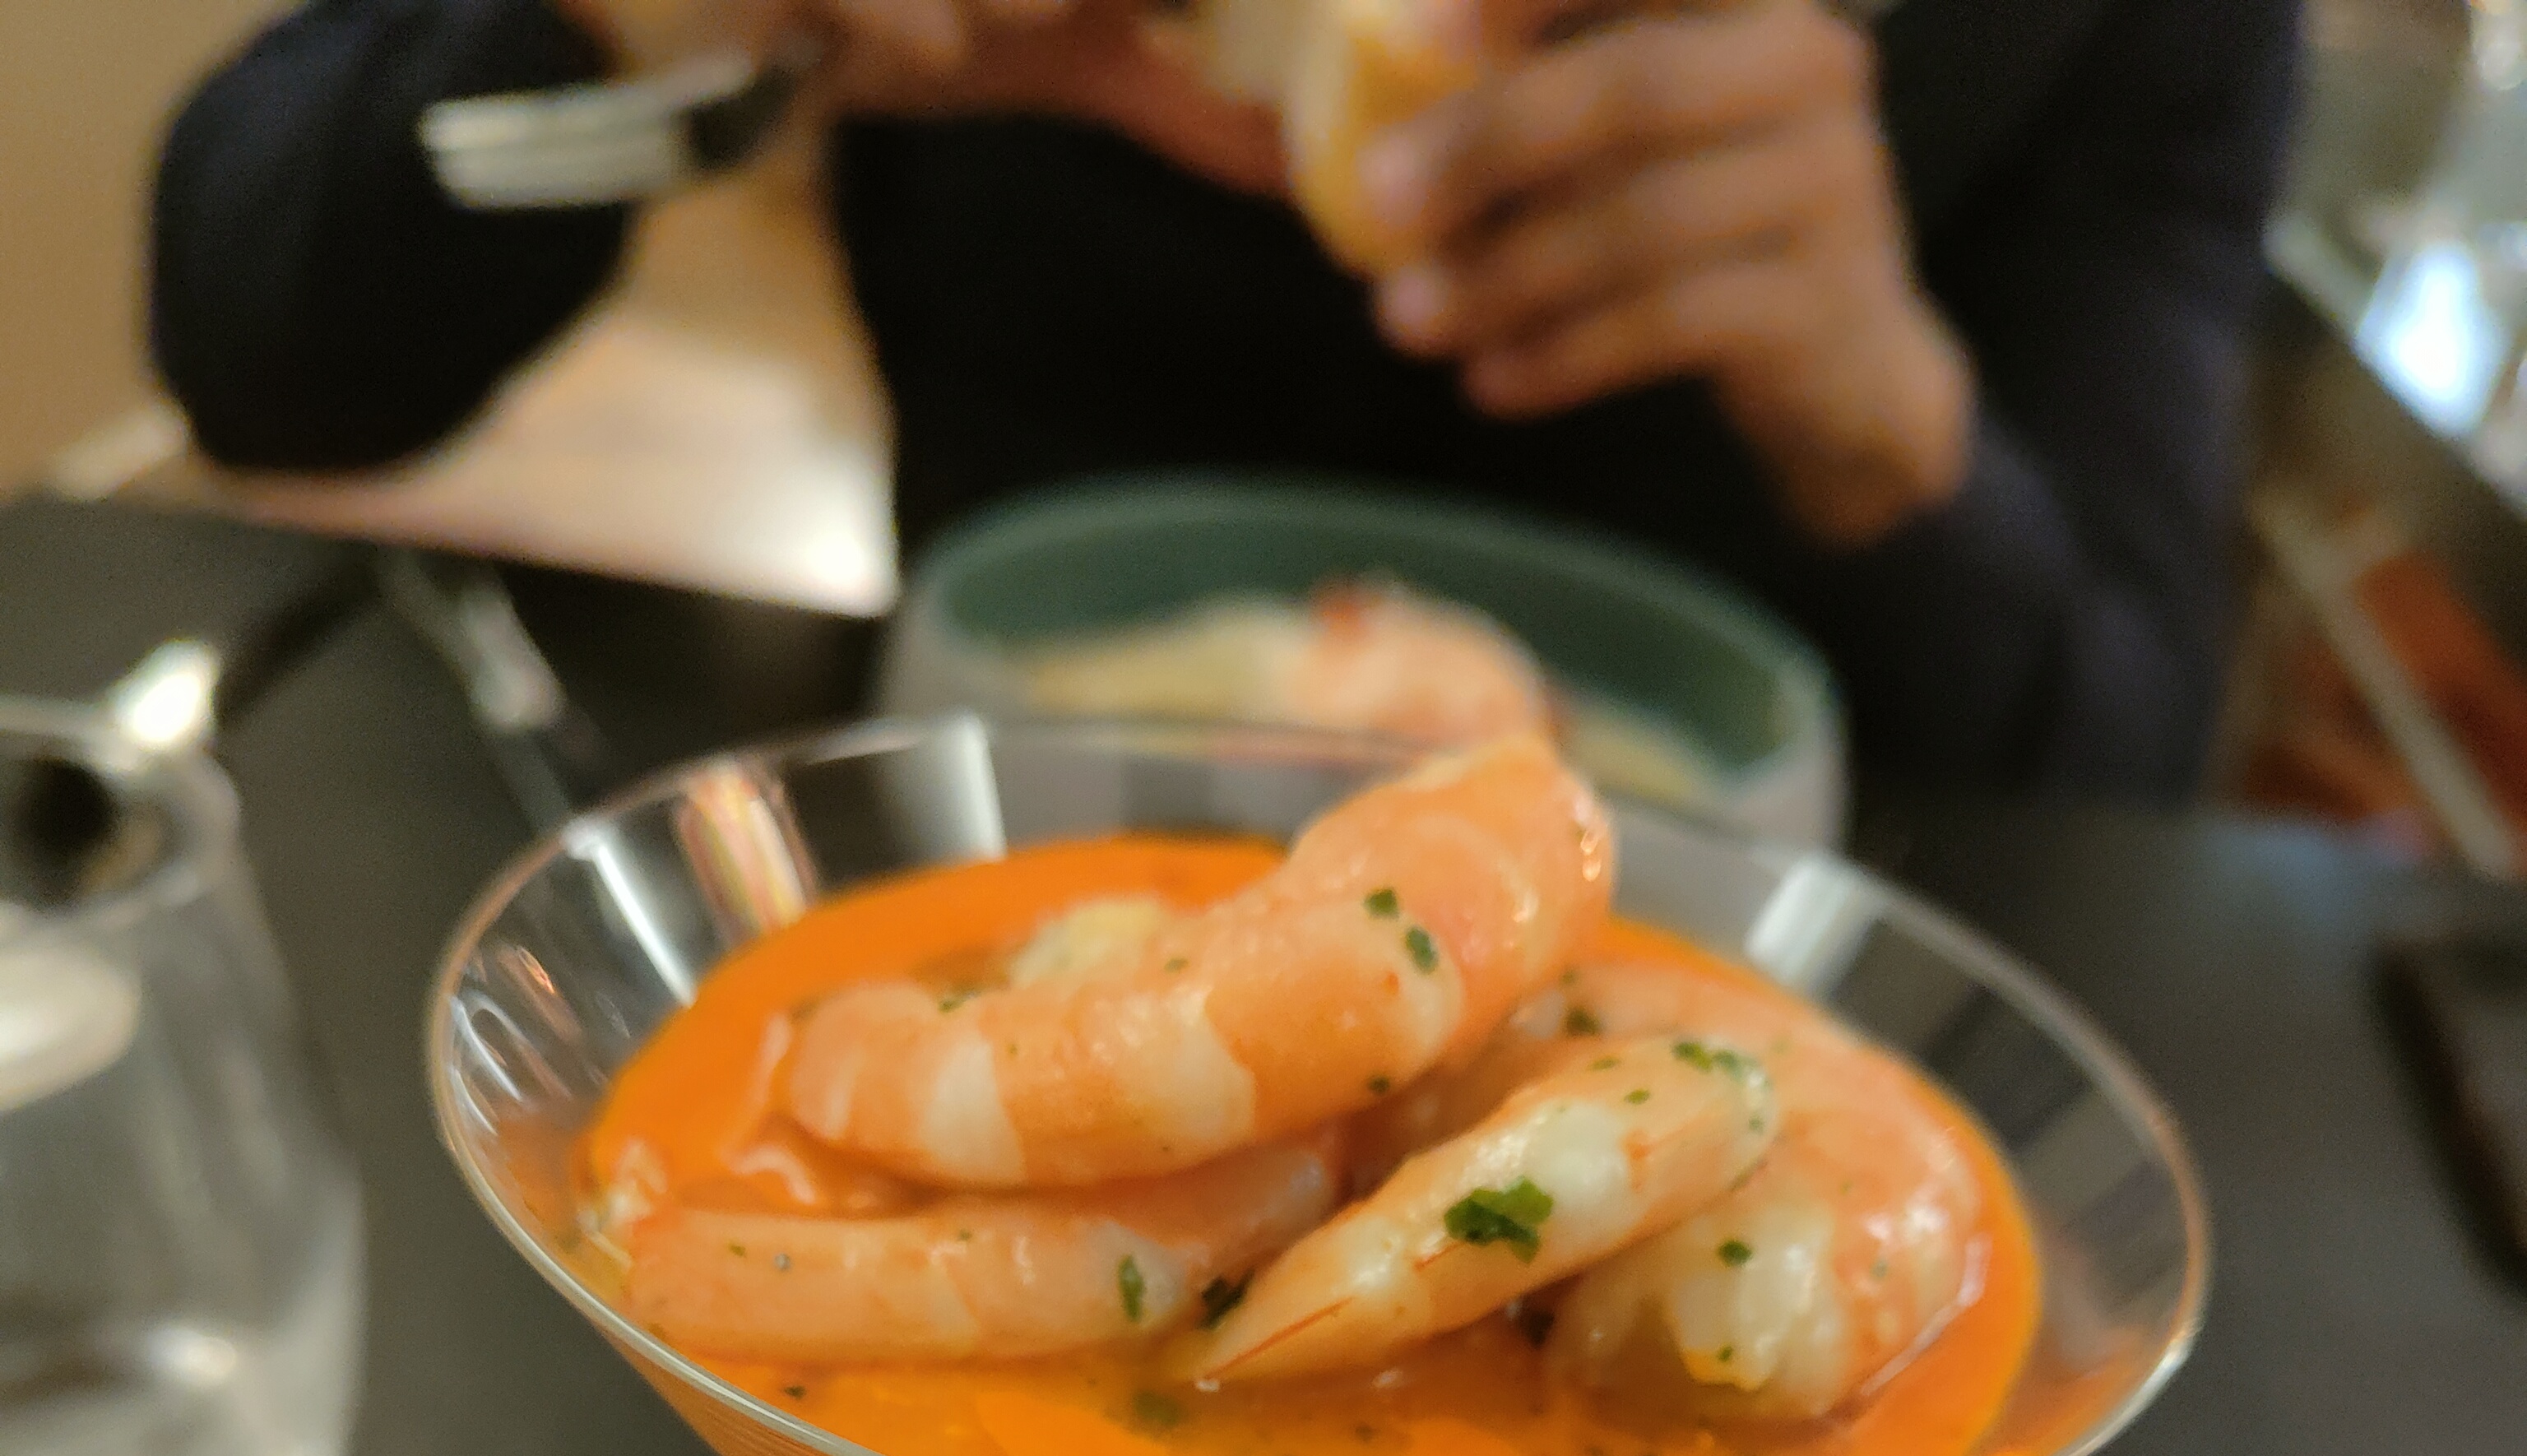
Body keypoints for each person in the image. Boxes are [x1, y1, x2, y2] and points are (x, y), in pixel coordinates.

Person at [151, 0, 2298, 792]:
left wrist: (1880, 414)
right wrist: (633, 29)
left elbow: (2125, 764)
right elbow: (254, 336)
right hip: (996, 861)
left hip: (1731, 1006)